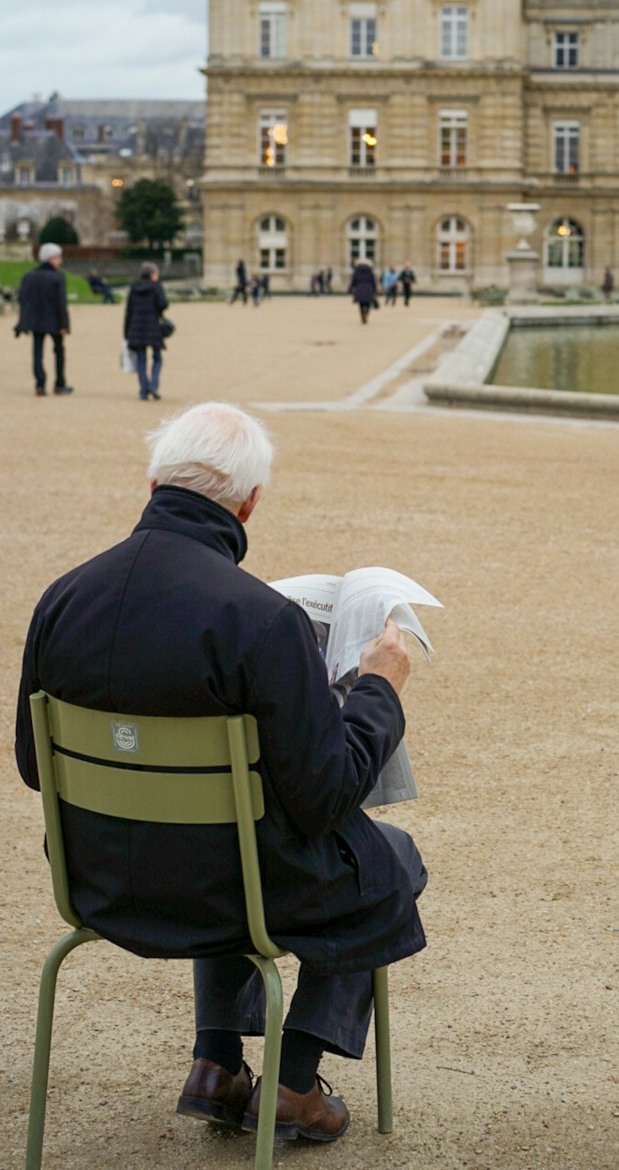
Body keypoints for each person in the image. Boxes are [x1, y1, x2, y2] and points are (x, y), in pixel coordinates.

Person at [15, 402, 425, 1142]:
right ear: (250, 502)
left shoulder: (62, 598)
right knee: (387, 860)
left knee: (224, 838)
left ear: (151, 484)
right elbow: (325, 795)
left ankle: (216, 1063)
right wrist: (377, 691)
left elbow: (31, 766)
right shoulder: (263, 620)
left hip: (97, 881)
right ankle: (296, 1084)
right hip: (226, 888)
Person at [14, 242, 72, 396]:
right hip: (54, 321)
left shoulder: (29, 277)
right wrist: (64, 325)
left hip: (35, 321)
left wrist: (22, 322)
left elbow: (22, 300)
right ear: (51, 259)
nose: (60, 261)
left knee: (37, 352)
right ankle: (59, 383)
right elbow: (61, 303)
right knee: (58, 351)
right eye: (58, 257)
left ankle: (40, 384)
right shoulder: (57, 278)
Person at [124, 260, 169, 401]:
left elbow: (128, 311)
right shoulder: (156, 287)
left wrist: (126, 333)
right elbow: (163, 304)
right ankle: (154, 385)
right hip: (153, 326)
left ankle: (143, 391)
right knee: (157, 358)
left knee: (141, 360)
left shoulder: (134, 287)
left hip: (136, 327)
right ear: (152, 274)